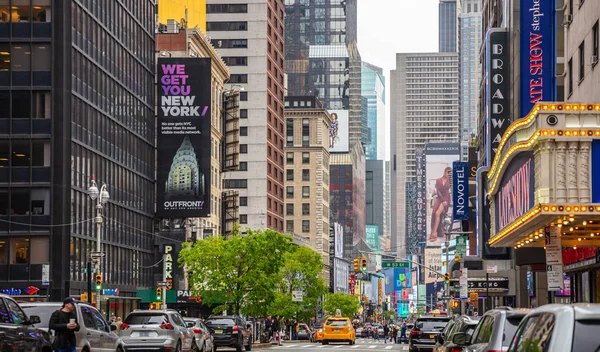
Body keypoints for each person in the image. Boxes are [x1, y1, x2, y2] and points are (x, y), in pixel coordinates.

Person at [429, 166, 452, 242]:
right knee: (433, 213)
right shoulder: (438, 180)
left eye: (450, 173)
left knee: (437, 213)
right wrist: (442, 200)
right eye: (447, 172)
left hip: (446, 198)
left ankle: (434, 233)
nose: (448, 174)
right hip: (440, 197)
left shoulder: (450, 181)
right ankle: (436, 231)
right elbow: (438, 191)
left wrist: (445, 201)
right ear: (444, 172)